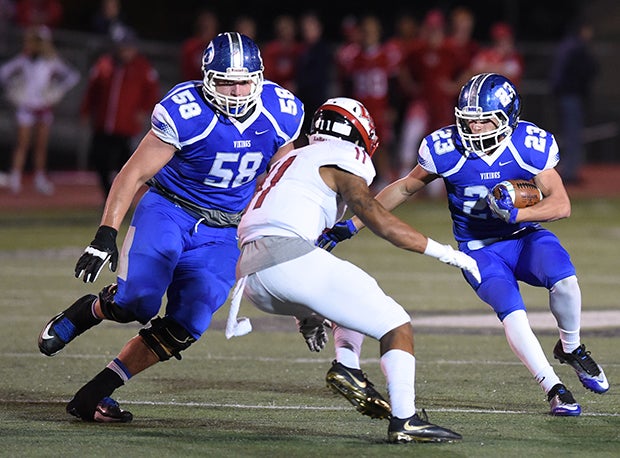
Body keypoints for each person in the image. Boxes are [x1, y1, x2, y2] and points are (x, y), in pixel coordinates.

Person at [37, 32, 304, 422]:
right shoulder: (185, 110)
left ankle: (99, 389)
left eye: (244, 81)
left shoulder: (282, 111)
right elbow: (132, 174)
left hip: (225, 231)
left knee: (190, 321)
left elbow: (284, 176)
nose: (235, 91)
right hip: (170, 210)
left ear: (259, 77)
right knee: (137, 303)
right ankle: (89, 310)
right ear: (207, 79)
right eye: (226, 81)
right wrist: (105, 235)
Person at [316, 73, 609, 417]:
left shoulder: (528, 144)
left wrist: (514, 215)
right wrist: (351, 224)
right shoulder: (446, 148)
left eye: (485, 121)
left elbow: (561, 204)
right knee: (513, 314)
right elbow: (404, 188)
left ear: (507, 119)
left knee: (566, 281)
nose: (475, 129)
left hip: (524, 236)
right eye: (469, 121)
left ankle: (571, 347)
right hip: (478, 249)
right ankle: (553, 388)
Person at [227, 96, 481, 443]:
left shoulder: (292, 158)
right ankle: (405, 420)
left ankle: (348, 366)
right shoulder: (345, 156)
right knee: (396, 324)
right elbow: (376, 216)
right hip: (288, 260)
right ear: (356, 131)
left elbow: (277, 227)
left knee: (353, 298)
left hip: (250, 275)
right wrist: (445, 253)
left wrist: (306, 314)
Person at [79, 27, 160, 199]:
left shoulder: (142, 67)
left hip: (126, 127)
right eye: (122, 47)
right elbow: (92, 90)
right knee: (100, 160)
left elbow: (152, 92)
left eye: (128, 47)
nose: (125, 51)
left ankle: (123, 198)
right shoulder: (104, 64)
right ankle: (109, 196)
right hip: (103, 124)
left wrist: (144, 110)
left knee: (127, 166)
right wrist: (85, 111)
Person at [0, 24, 79, 194]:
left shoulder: (51, 61)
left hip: (43, 108)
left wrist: (57, 91)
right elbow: (4, 72)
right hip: (26, 107)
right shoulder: (23, 60)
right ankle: (16, 176)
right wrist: (13, 89)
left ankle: (39, 178)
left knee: (41, 146)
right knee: (22, 144)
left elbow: (72, 76)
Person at [550, 21, 598, 185]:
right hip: (571, 95)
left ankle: (568, 169)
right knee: (573, 134)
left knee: (569, 133)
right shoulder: (576, 48)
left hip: (564, 95)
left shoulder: (566, 46)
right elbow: (587, 69)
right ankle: (569, 172)